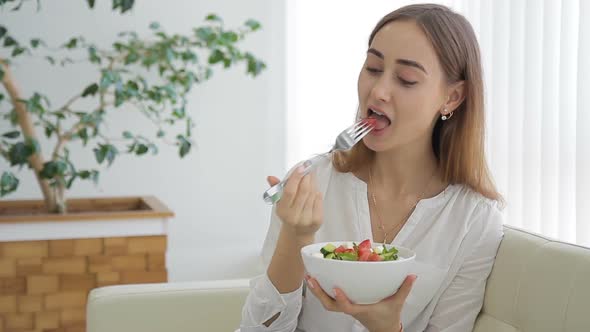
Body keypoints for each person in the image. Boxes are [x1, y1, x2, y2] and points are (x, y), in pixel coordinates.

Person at [240, 3, 504, 332]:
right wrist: (295, 237)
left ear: (452, 97)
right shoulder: (312, 184)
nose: (378, 92)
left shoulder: (474, 220)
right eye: (373, 68)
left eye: (406, 80)